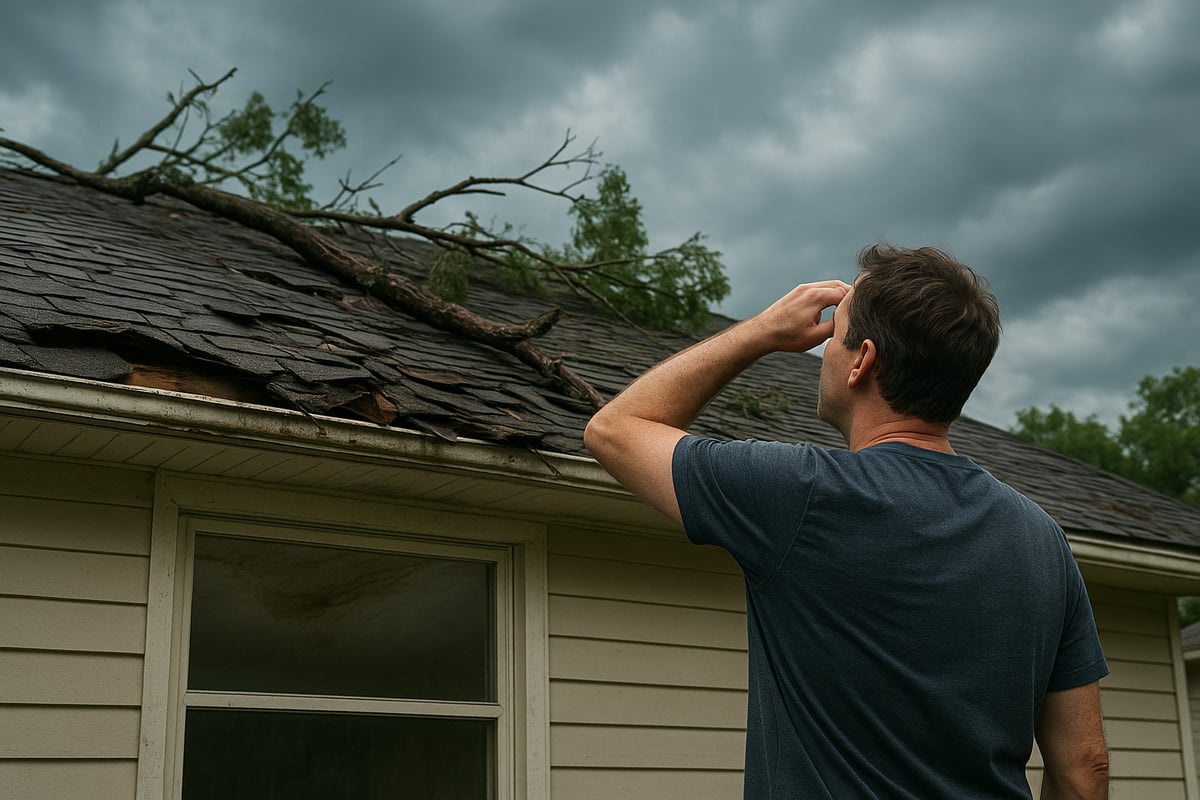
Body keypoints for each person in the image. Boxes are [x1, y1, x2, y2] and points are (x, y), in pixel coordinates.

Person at [584, 244, 1110, 799]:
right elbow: (1084, 767)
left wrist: (761, 330)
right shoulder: (1041, 538)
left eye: (832, 338)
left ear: (861, 360)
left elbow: (614, 429)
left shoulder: (803, 495)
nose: (822, 352)